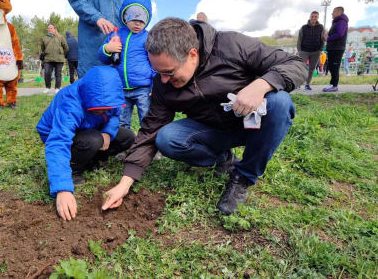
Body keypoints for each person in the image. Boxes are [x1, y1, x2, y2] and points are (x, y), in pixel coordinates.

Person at [101, 18, 307, 215]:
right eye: (158, 72)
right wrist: (125, 183)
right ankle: (224, 158)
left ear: (192, 54)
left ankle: (243, 177)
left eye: (169, 72)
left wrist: (262, 85)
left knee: (279, 103)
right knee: (166, 138)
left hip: (249, 125)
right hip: (210, 130)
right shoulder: (163, 82)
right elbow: (150, 130)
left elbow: (296, 65)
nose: (163, 80)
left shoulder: (233, 46)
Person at [36, 66, 136, 220]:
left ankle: (92, 158)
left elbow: (114, 115)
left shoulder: (111, 97)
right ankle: (74, 168)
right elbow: (58, 142)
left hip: (91, 129)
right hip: (55, 132)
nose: (104, 112)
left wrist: (108, 132)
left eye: (106, 109)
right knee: (93, 140)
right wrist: (62, 188)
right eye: (98, 110)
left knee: (127, 136)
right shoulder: (70, 103)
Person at [98, 0, 155, 129]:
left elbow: (155, 64)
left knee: (146, 119)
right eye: (134, 19)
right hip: (121, 88)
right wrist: (107, 49)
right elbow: (103, 59)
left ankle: (146, 146)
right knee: (121, 121)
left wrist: (155, 85)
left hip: (143, 88)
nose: (138, 24)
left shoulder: (148, 38)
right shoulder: (116, 34)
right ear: (125, 16)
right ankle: (125, 147)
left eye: (142, 21)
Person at [66, 0, 135, 78]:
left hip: (122, 36)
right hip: (92, 41)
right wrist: (96, 17)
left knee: (124, 86)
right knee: (94, 86)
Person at [297, 11, 325, 90]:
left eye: (315, 16)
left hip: (316, 51)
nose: (313, 18)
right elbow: (299, 39)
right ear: (310, 17)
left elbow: (323, 39)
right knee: (301, 67)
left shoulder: (321, 27)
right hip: (304, 51)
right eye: (312, 16)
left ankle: (307, 84)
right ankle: (298, 83)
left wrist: (321, 49)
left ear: (317, 18)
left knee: (312, 68)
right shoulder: (304, 27)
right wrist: (299, 50)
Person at [323, 7, 349, 92]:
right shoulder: (336, 22)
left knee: (334, 67)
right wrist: (328, 33)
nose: (332, 13)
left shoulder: (342, 21)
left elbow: (339, 34)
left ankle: (334, 85)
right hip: (333, 48)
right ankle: (332, 84)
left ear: (339, 12)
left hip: (337, 48)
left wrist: (328, 38)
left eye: (333, 11)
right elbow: (335, 32)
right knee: (331, 66)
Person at [41, 24, 69, 94]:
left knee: (58, 74)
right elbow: (43, 48)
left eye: (51, 28)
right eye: (48, 28)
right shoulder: (45, 38)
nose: (49, 29)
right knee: (47, 73)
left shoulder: (60, 37)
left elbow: (66, 48)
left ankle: (57, 88)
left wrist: (62, 55)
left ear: (54, 29)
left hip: (59, 59)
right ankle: (47, 87)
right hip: (48, 59)